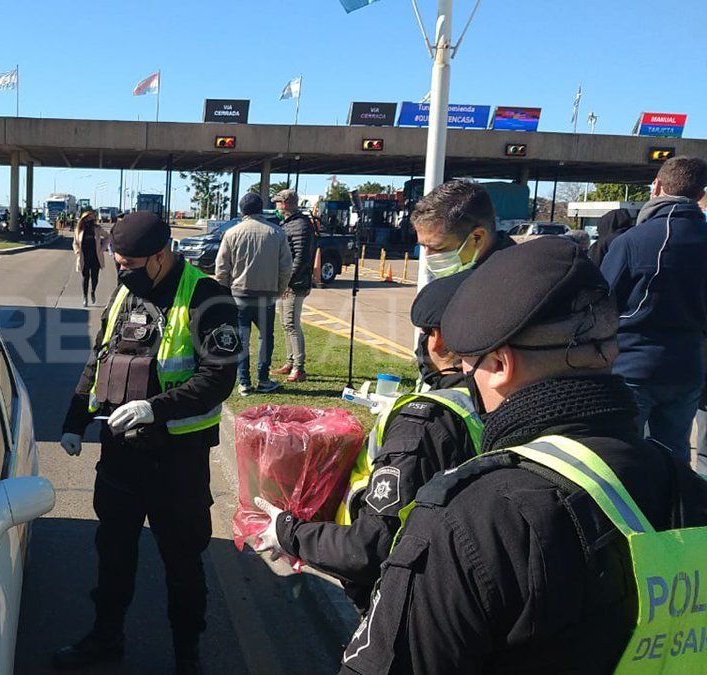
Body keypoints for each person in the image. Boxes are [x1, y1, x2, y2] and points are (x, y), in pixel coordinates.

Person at [339, 237, 707, 674]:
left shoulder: (474, 519)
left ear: (499, 365)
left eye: (471, 368)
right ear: (609, 350)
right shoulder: (688, 487)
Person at [55, 211, 239, 674]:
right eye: (118, 264)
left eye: (131, 265)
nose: (123, 273)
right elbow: (100, 357)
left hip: (177, 462)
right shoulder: (125, 291)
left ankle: (187, 656)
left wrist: (155, 408)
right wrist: (75, 421)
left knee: (182, 563)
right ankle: (106, 637)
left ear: (161, 255)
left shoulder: (208, 297)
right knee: (113, 554)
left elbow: (219, 378)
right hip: (121, 455)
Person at [252, 271, 482, 611]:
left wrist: (289, 533)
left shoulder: (422, 423)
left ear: (438, 340)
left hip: (401, 598)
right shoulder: (489, 402)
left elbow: (370, 546)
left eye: (423, 334)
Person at [601, 156, 707, 463]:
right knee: (674, 459)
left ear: (657, 186)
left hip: (632, 366)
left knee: (623, 456)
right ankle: (675, 495)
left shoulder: (632, 241)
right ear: (700, 194)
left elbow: (603, 303)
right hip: (688, 366)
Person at [215, 192, 292, 395]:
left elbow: (221, 268)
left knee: (242, 339)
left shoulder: (232, 233)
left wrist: (225, 291)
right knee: (266, 338)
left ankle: (244, 382)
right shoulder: (276, 233)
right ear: (261, 209)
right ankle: (263, 379)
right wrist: (279, 290)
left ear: (242, 211)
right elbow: (286, 267)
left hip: (239, 293)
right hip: (266, 295)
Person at [411, 179, 514, 279]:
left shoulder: (510, 279)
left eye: (438, 248)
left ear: (477, 238)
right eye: (424, 246)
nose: (428, 257)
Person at [271, 190, 316, 383]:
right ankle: (290, 362)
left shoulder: (300, 225)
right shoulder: (289, 224)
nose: (276, 207)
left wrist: (287, 281)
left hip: (294, 284)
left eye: (278, 203)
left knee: (291, 324)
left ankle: (299, 367)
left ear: (286, 204)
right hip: (287, 282)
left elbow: (300, 257)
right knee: (285, 324)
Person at [73, 210, 107, 306]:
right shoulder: (79, 229)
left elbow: (108, 236)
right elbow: (75, 243)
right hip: (84, 257)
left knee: (95, 278)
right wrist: (77, 251)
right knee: (85, 277)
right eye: (88, 217)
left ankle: (93, 292)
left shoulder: (97, 229)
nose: (90, 219)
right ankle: (85, 297)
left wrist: (103, 248)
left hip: (95, 257)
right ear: (84, 219)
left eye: (92, 217)